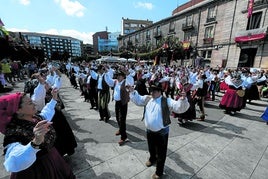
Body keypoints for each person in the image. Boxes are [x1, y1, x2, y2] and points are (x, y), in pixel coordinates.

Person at [0, 90, 75, 178]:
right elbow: (13, 163)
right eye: (30, 103)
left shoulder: (35, 118)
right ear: (18, 110)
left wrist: (54, 99)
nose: (34, 104)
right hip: (40, 170)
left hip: (54, 159)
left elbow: (46, 113)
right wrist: (35, 143)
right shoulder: (14, 133)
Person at [128, 81, 189, 179]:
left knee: (161, 153)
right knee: (151, 148)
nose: (152, 92)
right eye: (151, 90)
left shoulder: (167, 101)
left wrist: (183, 99)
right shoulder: (148, 99)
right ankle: (152, 159)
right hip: (149, 131)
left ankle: (159, 172)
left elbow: (179, 107)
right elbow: (138, 99)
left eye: (155, 90)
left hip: (162, 132)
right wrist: (132, 91)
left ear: (160, 91)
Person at [105, 68, 134, 145]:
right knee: (118, 117)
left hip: (123, 103)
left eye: (120, 75)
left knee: (122, 119)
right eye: (117, 75)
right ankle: (121, 130)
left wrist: (127, 73)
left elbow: (131, 82)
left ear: (123, 76)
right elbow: (109, 81)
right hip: (117, 102)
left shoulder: (126, 82)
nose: (118, 77)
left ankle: (124, 137)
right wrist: (106, 73)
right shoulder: (116, 82)